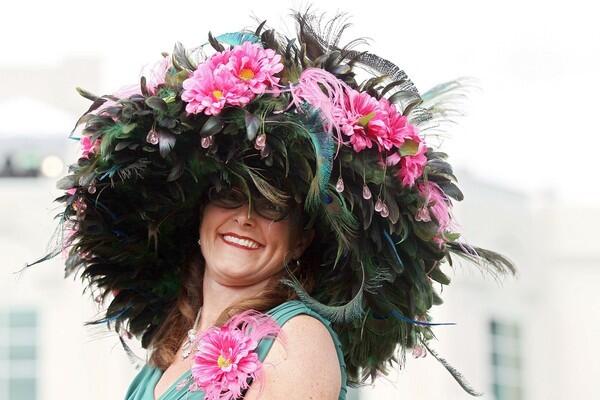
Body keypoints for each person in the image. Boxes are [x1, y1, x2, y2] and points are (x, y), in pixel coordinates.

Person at [28, 7, 516, 400]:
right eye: (228, 195)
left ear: (302, 237)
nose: (244, 217)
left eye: (272, 206)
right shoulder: (170, 346)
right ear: (199, 215)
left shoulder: (296, 341)